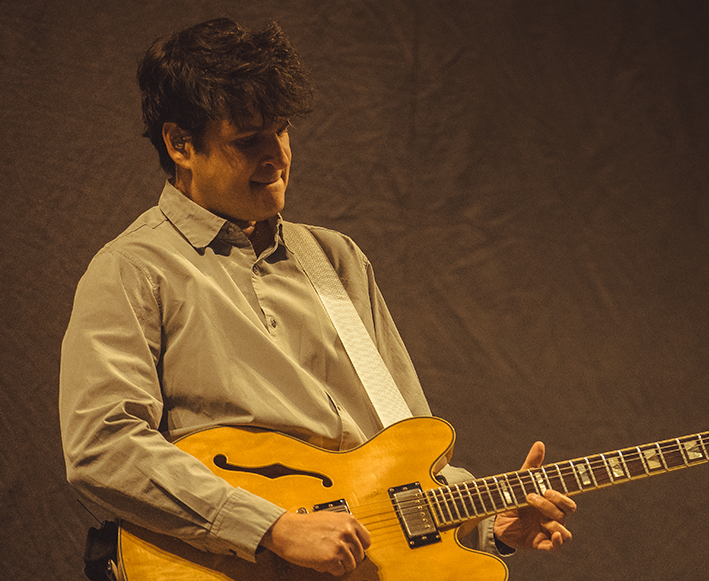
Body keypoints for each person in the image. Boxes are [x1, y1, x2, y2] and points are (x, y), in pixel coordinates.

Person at [59, 17, 575, 578]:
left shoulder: (336, 260)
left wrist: (486, 526)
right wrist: (270, 528)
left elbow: (406, 457)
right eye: (247, 140)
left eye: (280, 131)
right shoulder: (132, 269)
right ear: (181, 144)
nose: (276, 157)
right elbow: (103, 446)